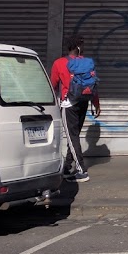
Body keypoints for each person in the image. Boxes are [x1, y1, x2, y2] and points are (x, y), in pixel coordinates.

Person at [51, 36, 100, 183]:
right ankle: (67, 166)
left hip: (69, 103)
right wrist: (96, 103)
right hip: (83, 102)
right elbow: (93, 84)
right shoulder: (87, 63)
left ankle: (81, 171)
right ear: (79, 47)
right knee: (75, 135)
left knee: (72, 137)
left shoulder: (59, 63)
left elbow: (53, 84)